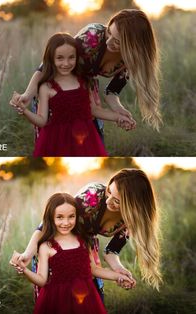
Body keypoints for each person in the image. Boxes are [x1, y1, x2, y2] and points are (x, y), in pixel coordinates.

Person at [10, 168, 162, 302]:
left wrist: (118, 270)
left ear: (132, 206)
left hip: (85, 251)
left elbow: (112, 251)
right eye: (109, 191)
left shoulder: (131, 220)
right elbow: (48, 224)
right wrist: (28, 253)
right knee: (56, 300)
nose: (108, 200)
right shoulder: (94, 194)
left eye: (116, 200)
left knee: (90, 298)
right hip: (56, 252)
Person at [10, 9, 162, 136]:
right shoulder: (93, 35)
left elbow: (112, 91)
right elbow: (47, 65)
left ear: (133, 46)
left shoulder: (131, 60)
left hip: (85, 94)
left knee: (91, 139)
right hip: (55, 93)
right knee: (56, 141)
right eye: (109, 32)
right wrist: (28, 94)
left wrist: (118, 110)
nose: (108, 42)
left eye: (117, 41)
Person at [12, 33, 133, 156]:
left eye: (71, 57)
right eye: (60, 58)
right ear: (51, 58)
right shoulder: (46, 87)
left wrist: (118, 117)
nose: (66, 63)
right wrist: (25, 111)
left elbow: (94, 110)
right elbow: (42, 121)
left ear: (77, 57)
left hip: (86, 136)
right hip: (56, 139)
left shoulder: (84, 81)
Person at [10, 193, 133, 314]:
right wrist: (24, 270)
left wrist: (118, 276)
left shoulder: (84, 240)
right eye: (60, 217)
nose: (66, 222)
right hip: (56, 300)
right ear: (51, 217)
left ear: (77, 216)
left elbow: (93, 270)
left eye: (71, 216)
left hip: (86, 297)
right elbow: (42, 280)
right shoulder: (46, 246)